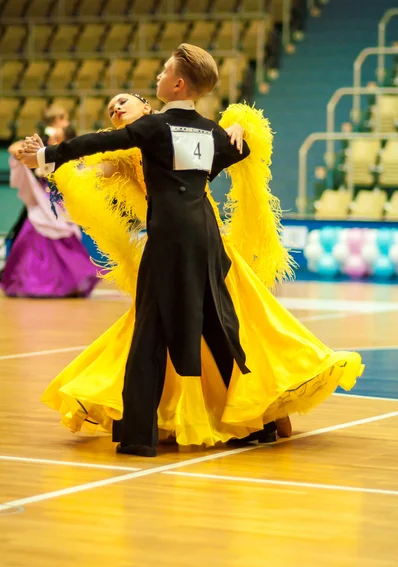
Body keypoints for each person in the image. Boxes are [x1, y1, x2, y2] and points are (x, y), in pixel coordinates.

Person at [20, 45, 364, 456]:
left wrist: (44, 155)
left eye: (164, 71)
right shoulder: (205, 130)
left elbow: (95, 143)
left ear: (176, 84)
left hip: (170, 237)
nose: (158, 76)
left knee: (151, 329)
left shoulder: (152, 130)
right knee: (221, 329)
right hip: (206, 235)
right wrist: (235, 129)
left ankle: (139, 437)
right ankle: (256, 422)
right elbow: (236, 152)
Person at [1, 124, 98, 298]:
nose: (51, 140)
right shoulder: (43, 154)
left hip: (59, 209)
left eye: (56, 137)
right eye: (52, 137)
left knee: (64, 248)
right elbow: (14, 149)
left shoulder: (72, 161)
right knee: (32, 245)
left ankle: (63, 285)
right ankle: (34, 284)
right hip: (41, 208)